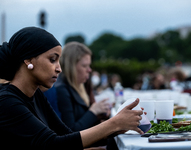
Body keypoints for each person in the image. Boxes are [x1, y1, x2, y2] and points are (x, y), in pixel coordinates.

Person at [0, 27, 144, 149]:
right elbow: (53, 144)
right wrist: (113, 124)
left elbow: (67, 135)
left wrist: (116, 129)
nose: (59, 69)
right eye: (52, 59)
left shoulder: (35, 94)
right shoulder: (7, 101)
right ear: (28, 60)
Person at [45, 42, 111, 132]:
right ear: (71, 66)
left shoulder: (81, 85)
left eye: (89, 65)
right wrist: (93, 112)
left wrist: (101, 113)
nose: (89, 70)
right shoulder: (62, 89)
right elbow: (70, 131)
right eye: (84, 66)